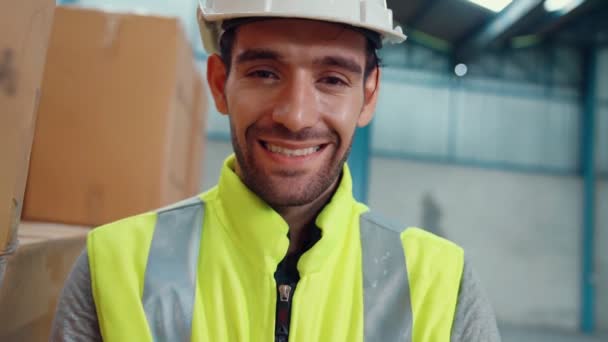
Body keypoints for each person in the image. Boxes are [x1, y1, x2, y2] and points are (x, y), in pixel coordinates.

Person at [51, 0, 501, 341]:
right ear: (218, 84)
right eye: (265, 73)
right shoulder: (116, 268)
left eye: (332, 79)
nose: (296, 116)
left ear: (369, 95)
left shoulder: (441, 284)